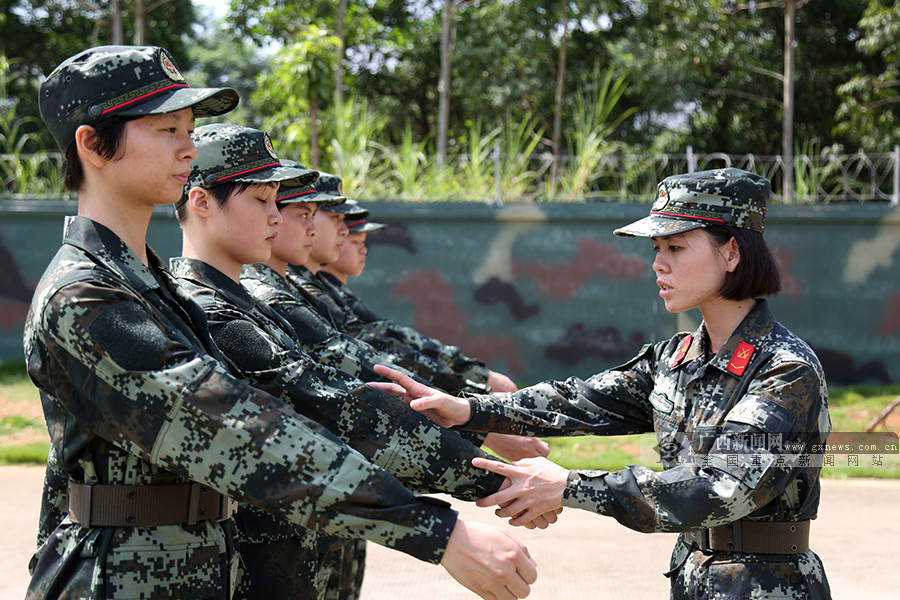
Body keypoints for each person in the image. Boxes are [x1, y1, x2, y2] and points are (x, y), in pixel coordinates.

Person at [24, 45, 537, 600]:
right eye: (167, 129)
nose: (188, 148)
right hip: (118, 579)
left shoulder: (150, 286)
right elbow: (230, 428)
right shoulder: (85, 295)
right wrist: (437, 530)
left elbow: (307, 403)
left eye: (190, 129)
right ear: (94, 144)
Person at [373, 168, 832, 600]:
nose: (658, 264)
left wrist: (570, 486)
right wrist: (468, 410)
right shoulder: (675, 358)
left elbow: (720, 487)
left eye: (675, 248)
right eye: (656, 249)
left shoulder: (785, 370)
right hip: (694, 574)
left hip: (769, 585)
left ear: (731, 252)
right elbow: (576, 402)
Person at [171, 123, 553, 599]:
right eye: (263, 200)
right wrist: (492, 471)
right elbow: (337, 404)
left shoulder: (246, 303)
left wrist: (478, 423)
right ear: (202, 203)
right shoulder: (210, 312)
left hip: (296, 541)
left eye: (279, 202)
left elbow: (360, 365)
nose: (281, 217)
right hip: (257, 555)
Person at [242, 177, 549, 462]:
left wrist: (470, 399)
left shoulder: (294, 286)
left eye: (317, 215)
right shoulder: (267, 290)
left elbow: (377, 338)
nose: (345, 232)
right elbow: (349, 356)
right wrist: (476, 415)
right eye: (327, 217)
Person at [295, 174, 520, 394]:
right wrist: (464, 387)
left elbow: (383, 339)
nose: (343, 232)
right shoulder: (300, 288)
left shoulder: (317, 286)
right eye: (334, 219)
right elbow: (370, 347)